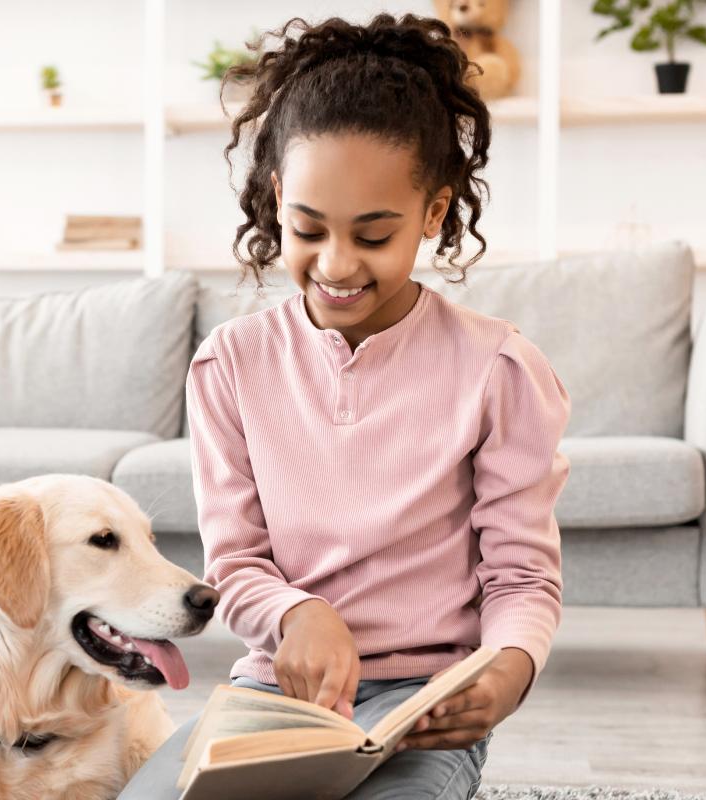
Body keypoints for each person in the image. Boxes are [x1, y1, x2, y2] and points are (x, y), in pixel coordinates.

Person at [118, 12, 571, 800]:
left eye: (373, 235)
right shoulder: (230, 364)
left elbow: (523, 577)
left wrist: (506, 674)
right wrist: (298, 615)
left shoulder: (498, 369)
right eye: (307, 228)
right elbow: (236, 562)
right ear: (275, 200)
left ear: (433, 214)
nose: (335, 264)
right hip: (273, 696)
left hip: (421, 710)